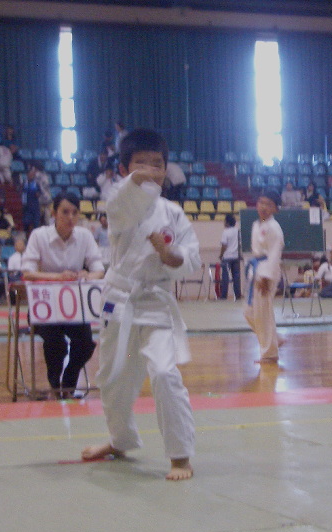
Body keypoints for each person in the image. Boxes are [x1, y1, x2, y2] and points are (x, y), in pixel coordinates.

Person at [80, 128, 201, 481]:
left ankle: (180, 455)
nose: (151, 169)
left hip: (156, 303)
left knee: (164, 373)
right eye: (141, 163)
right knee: (113, 378)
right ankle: (120, 440)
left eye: (158, 164)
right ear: (123, 169)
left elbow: (188, 257)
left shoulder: (173, 213)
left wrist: (168, 253)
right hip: (119, 301)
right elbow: (120, 206)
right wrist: (136, 181)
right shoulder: (120, 201)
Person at [22, 193, 105, 398]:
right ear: (53, 214)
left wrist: (86, 274)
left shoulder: (84, 236)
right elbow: (28, 272)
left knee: (86, 344)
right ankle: (54, 384)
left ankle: (67, 384)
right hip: (44, 309)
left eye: (74, 213)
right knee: (56, 343)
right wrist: (59, 277)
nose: (70, 217)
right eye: (65, 212)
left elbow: (99, 270)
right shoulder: (39, 236)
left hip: (74, 309)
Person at [244, 190, 284, 363]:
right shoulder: (256, 224)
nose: (263, 207)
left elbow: (275, 253)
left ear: (275, 208)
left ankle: (269, 353)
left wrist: (267, 277)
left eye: (268, 204)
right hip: (257, 268)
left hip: (268, 270)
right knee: (249, 312)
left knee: (263, 313)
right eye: (261, 202)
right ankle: (274, 338)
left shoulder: (274, 228)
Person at [219, 214, 241, 300]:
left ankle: (224, 296)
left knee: (225, 277)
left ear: (227, 223)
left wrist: (221, 255)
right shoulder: (237, 231)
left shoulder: (225, 232)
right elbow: (239, 244)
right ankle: (238, 295)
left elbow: (224, 245)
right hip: (236, 257)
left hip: (227, 257)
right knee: (236, 277)